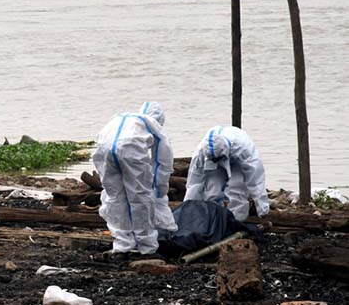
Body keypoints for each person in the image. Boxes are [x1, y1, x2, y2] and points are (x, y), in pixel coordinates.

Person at [93, 102, 177, 254]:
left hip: (104, 149)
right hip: (131, 149)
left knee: (114, 197)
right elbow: (162, 162)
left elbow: (100, 139)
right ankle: (147, 246)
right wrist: (159, 190)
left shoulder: (122, 118)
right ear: (160, 119)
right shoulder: (153, 125)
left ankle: (122, 244)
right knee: (140, 198)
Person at [184, 125, 269, 222]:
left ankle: (236, 221)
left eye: (218, 159)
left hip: (237, 160)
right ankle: (213, 220)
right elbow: (195, 181)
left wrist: (262, 208)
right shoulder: (201, 152)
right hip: (216, 157)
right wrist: (187, 207)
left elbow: (255, 179)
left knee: (236, 189)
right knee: (212, 191)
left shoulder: (243, 149)